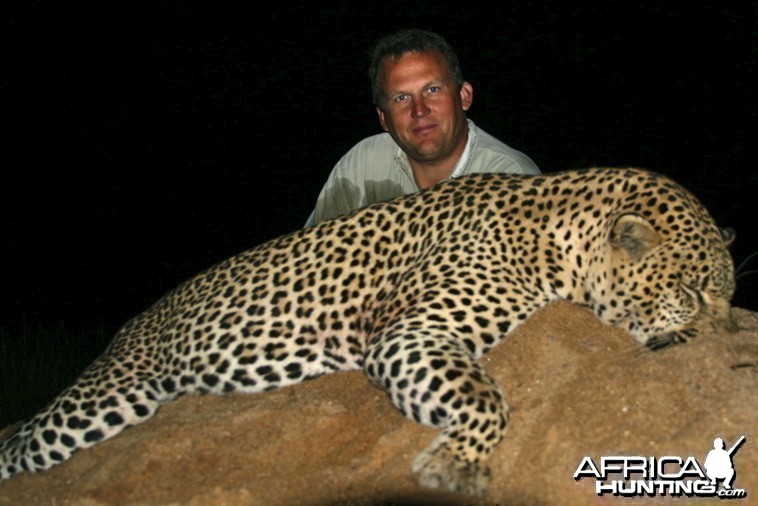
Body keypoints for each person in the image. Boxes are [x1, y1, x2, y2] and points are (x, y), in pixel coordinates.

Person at [304, 28, 539, 227]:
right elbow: (309, 254)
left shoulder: (512, 177)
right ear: (383, 119)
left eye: (433, 90)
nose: (419, 110)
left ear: (464, 96)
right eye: (401, 98)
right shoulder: (361, 164)